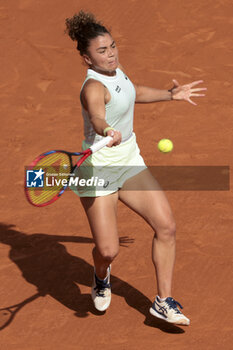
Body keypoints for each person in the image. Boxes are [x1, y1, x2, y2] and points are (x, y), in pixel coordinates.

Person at [65, 10, 206, 326]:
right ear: (87, 59)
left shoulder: (116, 71)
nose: (111, 54)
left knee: (166, 226)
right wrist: (105, 131)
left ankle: (163, 302)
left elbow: (133, 92)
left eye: (112, 46)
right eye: (102, 51)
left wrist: (171, 95)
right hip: (98, 171)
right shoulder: (92, 87)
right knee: (108, 250)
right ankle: (101, 275)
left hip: (128, 161)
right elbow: (98, 115)